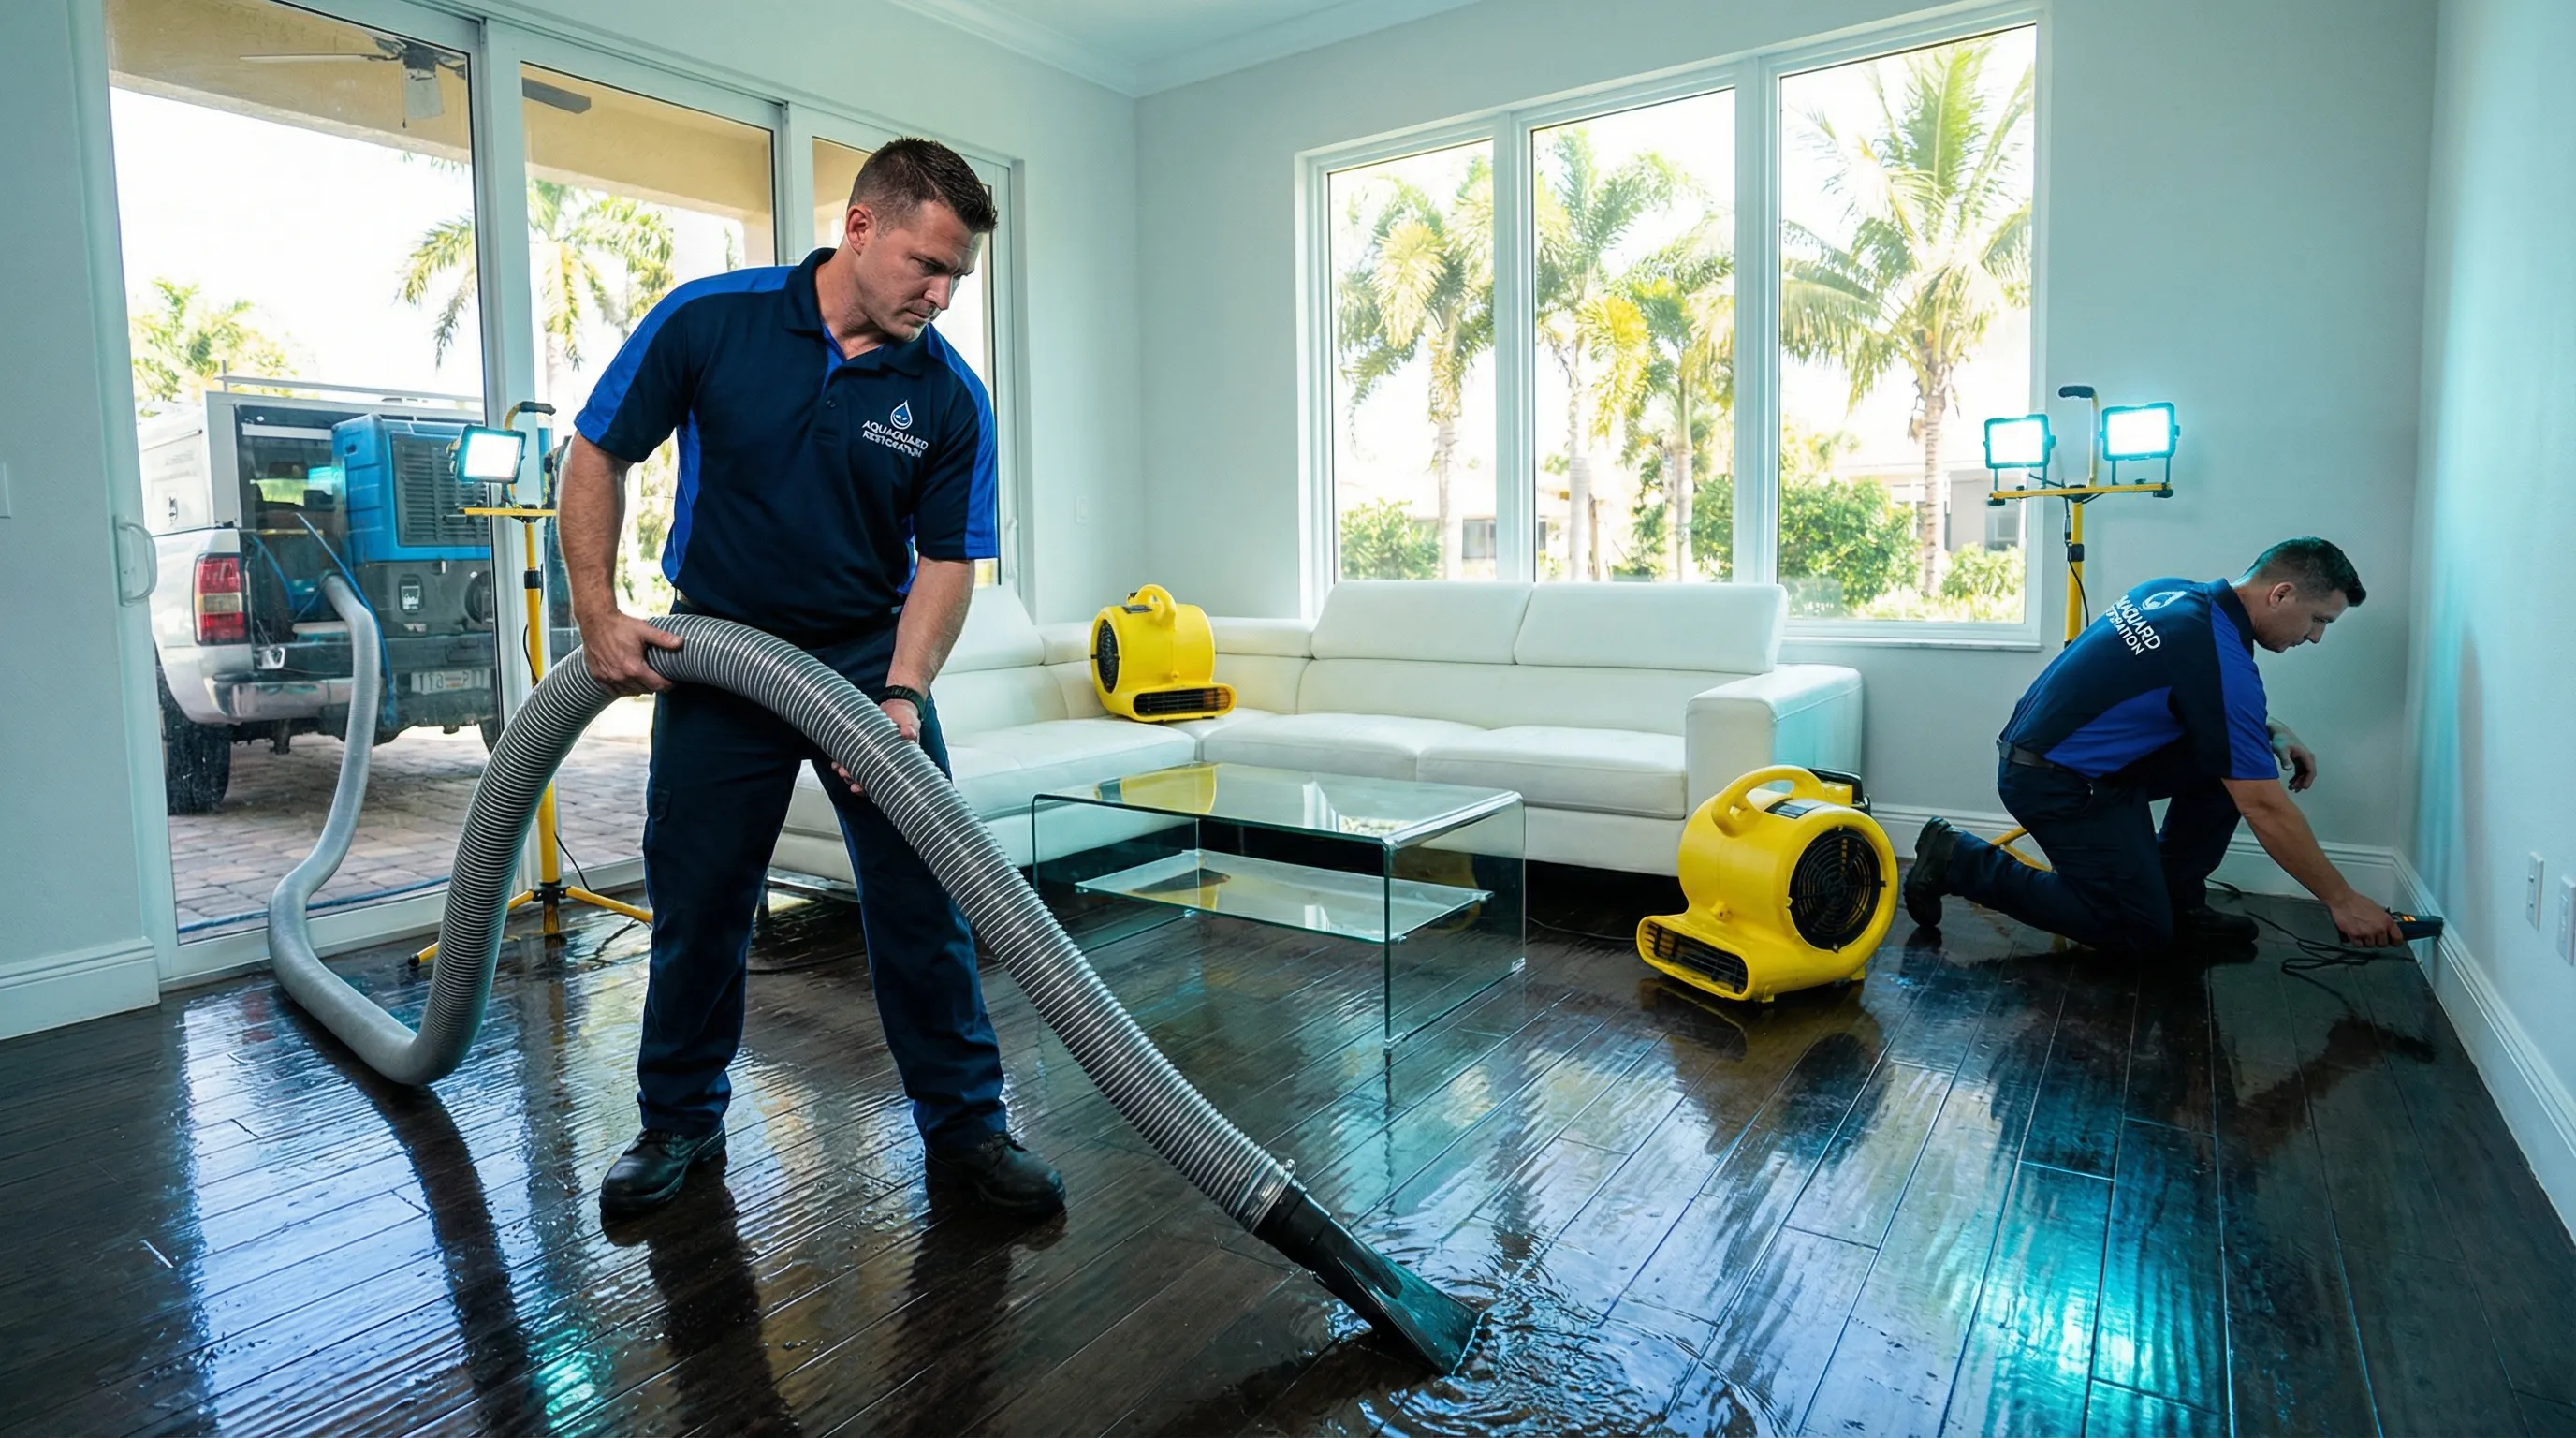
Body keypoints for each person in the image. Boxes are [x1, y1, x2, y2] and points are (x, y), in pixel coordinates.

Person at [559, 138, 1063, 1222]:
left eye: (958, 277)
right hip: (719, 650)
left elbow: (946, 563)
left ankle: (968, 1129)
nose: (941, 294)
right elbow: (596, 450)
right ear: (862, 226)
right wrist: (597, 613)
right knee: (700, 897)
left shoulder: (945, 395)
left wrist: (904, 693)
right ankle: (680, 1122)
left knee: (924, 899)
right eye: (927, 265)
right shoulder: (714, 319)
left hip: (862, 666)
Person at [1905, 537, 2403, 956]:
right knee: (2137, 930)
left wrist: (2270, 728)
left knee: (2230, 761)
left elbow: (2195, 699)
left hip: (2076, 761)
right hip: (2054, 781)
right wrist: (2341, 900)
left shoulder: (2176, 595)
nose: (2315, 637)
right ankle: (1960, 860)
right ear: (2282, 594)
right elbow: (2265, 807)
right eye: (2319, 620)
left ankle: (2178, 902)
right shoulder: (2214, 652)